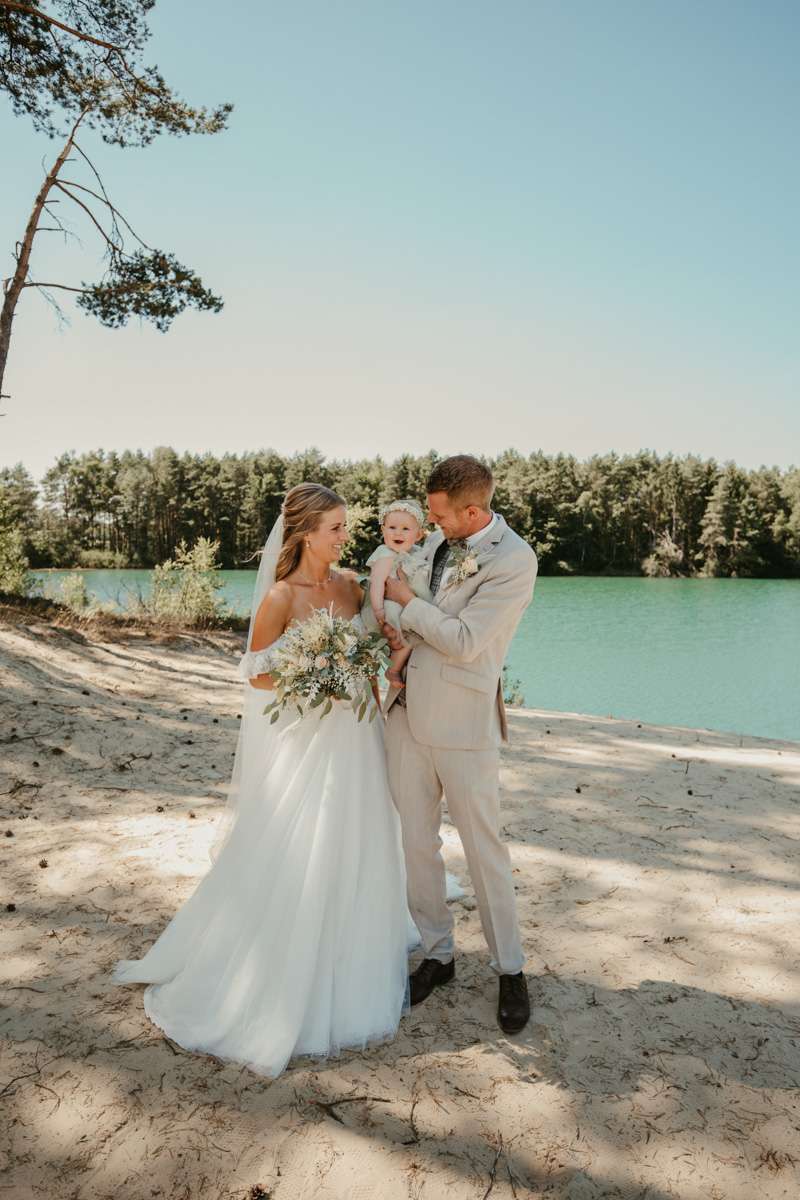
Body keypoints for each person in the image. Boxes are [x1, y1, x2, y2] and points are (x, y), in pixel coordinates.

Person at [112, 484, 409, 1077]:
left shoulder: (352, 585)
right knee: (308, 845)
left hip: (358, 735)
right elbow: (256, 675)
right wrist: (313, 671)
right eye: (336, 528)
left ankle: (351, 953)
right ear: (304, 534)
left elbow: (380, 644)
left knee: (362, 841)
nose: (346, 536)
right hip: (311, 740)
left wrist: (376, 664)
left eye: (346, 527)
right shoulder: (280, 596)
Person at [382, 455, 538, 1034]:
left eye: (440, 514)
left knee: (484, 849)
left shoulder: (515, 561)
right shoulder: (433, 543)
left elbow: (468, 640)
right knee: (415, 843)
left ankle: (510, 969)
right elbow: (401, 609)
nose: (431, 523)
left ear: (473, 511)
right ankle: (438, 954)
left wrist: (407, 602)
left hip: (466, 724)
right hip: (403, 714)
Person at [361, 498, 433, 687]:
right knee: (410, 637)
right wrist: (377, 609)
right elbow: (376, 583)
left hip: (405, 606)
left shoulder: (417, 553)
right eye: (392, 527)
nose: (398, 532)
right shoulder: (385, 555)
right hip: (388, 607)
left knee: (410, 639)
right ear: (383, 530)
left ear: (419, 535)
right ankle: (391, 670)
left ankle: (392, 668)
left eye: (405, 529)